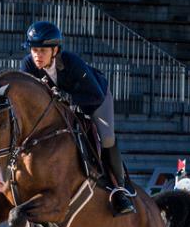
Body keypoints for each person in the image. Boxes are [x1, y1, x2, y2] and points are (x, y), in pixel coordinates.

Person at [20, 20, 136, 216]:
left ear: (55, 50)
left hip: (94, 98)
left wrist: (68, 99)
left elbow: (95, 95)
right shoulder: (28, 65)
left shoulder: (72, 63)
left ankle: (119, 189)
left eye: (42, 50)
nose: (37, 55)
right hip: (60, 107)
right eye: (34, 50)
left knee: (106, 138)